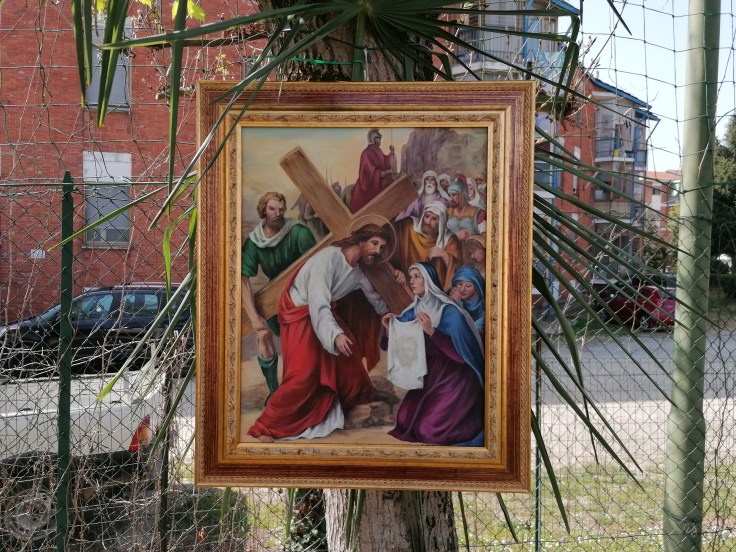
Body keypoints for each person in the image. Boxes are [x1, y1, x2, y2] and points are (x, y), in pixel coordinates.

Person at [248, 224, 400, 442]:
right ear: (360, 240)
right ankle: (267, 426)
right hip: (299, 315)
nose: (378, 251)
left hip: (321, 315)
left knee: (350, 357)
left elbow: (375, 298)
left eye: (382, 247)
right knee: (302, 375)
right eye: (374, 243)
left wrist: (386, 314)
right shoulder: (328, 259)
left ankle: (353, 398)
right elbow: (318, 302)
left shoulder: (357, 272)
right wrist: (335, 335)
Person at [382, 263, 484, 446]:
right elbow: (395, 340)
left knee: (428, 430)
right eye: (410, 277)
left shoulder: (450, 312)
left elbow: (462, 355)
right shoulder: (414, 310)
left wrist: (432, 332)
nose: (412, 281)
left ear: (428, 280)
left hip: (458, 377)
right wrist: (389, 330)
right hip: (434, 373)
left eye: (417, 277)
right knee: (404, 420)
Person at [242, 191, 317, 403]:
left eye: (281, 209)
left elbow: (316, 267)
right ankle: (274, 392)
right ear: (263, 210)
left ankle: (306, 392)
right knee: (263, 335)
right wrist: (255, 319)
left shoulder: (299, 233)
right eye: (272, 209)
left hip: (303, 299)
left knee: (304, 347)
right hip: (276, 301)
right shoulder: (254, 241)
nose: (277, 213)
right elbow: (243, 278)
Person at [391, 201, 461, 291]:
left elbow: (459, 272)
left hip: (431, 291)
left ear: (441, 222)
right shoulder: (408, 225)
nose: (428, 222)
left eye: (434, 219)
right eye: (427, 216)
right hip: (402, 282)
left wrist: (444, 255)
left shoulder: (449, 239)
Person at [349, 128, 397, 212]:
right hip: (369, 186)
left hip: (379, 182)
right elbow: (367, 174)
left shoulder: (379, 151)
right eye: (378, 138)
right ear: (372, 139)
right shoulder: (366, 153)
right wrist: (386, 172)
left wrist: (392, 153)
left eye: (380, 138)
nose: (380, 140)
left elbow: (385, 163)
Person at [450, 265, 486, 336]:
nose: (462, 289)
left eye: (468, 286)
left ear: (477, 287)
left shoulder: (483, 309)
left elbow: (470, 334)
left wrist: (458, 304)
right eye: (460, 284)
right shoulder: (453, 299)